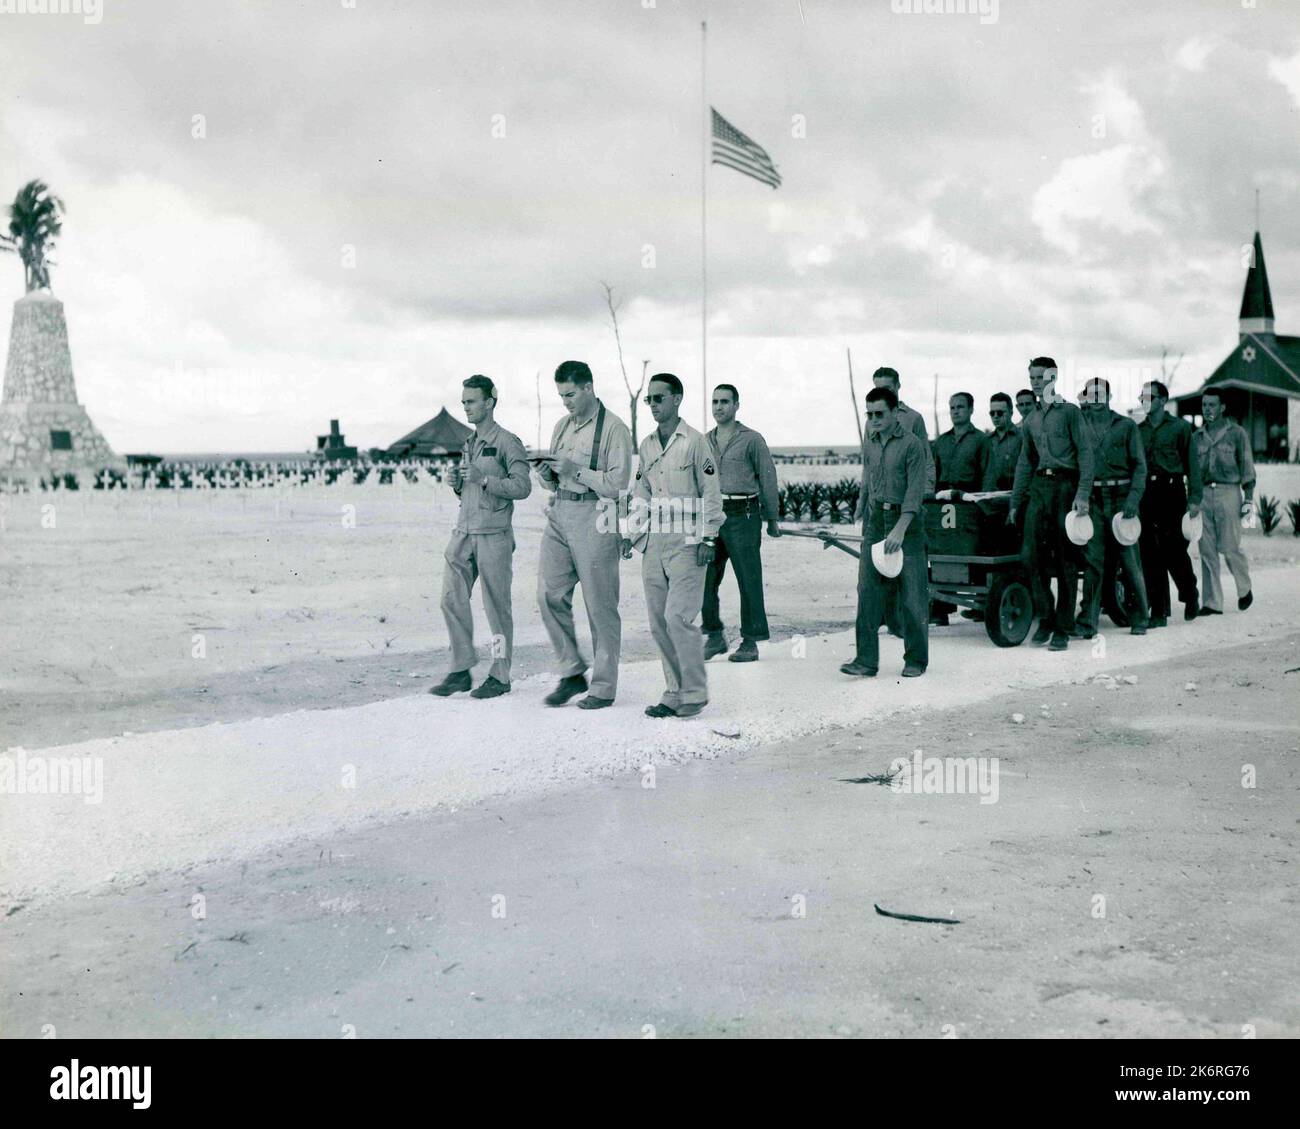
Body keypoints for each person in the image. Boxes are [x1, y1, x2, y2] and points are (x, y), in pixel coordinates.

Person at [624, 373, 724, 718]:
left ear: (677, 399)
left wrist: (709, 538)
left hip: (688, 540)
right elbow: (642, 492)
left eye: (659, 398)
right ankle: (673, 691)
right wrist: (630, 533)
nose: (652, 404)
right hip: (654, 541)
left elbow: (711, 494)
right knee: (657, 622)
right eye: (649, 399)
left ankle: (694, 692)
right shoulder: (648, 445)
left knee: (677, 617)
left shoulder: (696, 443)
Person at [535, 360, 633, 710]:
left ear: (589, 387)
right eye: (561, 395)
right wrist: (546, 472)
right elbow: (553, 479)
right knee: (548, 593)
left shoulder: (614, 429)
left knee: (600, 605)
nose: (566, 402)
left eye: (571, 394)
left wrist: (577, 470)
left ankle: (604, 687)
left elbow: (618, 484)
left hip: (597, 515)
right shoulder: (562, 426)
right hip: (560, 512)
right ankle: (572, 671)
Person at [430, 375, 531, 699]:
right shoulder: (469, 443)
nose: (466, 407)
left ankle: (500, 675)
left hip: (494, 535)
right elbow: (467, 487)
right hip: (464, 531)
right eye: (463, 402)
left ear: (489, 402)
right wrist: (456, 483)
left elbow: (522, 487)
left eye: (471, 401)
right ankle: (461, 669)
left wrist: (484, 479)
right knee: (450, 598)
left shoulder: (508, 442)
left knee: (497, 608)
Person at [841, 386, 929, 678]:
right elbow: (868, 480)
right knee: (867, 591)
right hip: (876, 520)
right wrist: (860, 508)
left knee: (912, 595)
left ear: (895, 413)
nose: (874, 419)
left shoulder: (912, 445)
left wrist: (900, 530)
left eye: (880, 414)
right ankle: (866, 660)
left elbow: (915, 494)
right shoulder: (870, 441)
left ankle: (916, 660)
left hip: (907, 524)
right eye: (870, 414)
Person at [1008, 356, 1094, 651]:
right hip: (1039, 488)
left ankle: (1062, 628)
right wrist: (1016, 502)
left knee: (1065, 559)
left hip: (1066, 487)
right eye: (1031, 376)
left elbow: (1085, 453)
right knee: (1030, 557)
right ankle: (1046, 615)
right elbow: (1024, 462)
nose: (1035, 382)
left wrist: (1082, 494)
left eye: (1040, 377)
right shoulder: (1030, 419)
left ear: (1053, 377)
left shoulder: (1069, 412)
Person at [701, 383, 781, 663]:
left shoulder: (752, 439)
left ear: (736, 405)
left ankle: (750, 641)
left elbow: (768, 478)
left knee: (748, 579)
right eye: (715, 402)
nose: (719, 407)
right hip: (712, 516)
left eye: (724, 401)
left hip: (744, 514)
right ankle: (713, 635)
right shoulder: (704, 441)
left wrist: (772, 518)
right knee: (704, 576)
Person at [1076, 378, 1149, 637]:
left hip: (1121, 500)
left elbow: (1140, 466)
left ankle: (1140, 616)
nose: (1095, 399)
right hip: (1093, 500)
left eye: (1100, 394)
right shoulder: (1080, 427)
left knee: (1129, 561)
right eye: (1090, 394)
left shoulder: (1126, 426)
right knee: (1093, 562)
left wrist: (1133, 499)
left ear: (1109, 396)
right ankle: (1087, 622)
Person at [1136, 381, 1201, 626]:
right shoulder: (1138, 430)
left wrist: (1195, 499)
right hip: (1146, 492)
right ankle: (1158, 611)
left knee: (1174, 549)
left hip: (1172, 491)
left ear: (1162, 400)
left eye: (1148, 396)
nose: (1143, 400)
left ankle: (1190, 592)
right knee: (1150, 552)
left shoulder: (1181, 428)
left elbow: (1192, 466)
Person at [1193, 389, 1255, 616]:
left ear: (1222, 408)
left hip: (1229, 492)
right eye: (1204, 405)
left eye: (1212, 405)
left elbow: (1247, 468)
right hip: (1202, 495)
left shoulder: (1236, 434)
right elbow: (1192, 471)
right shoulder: (1196, 437)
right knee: (1206, 549)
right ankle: (1212, 602)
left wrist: (1248, 501)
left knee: (1230, 547)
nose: (1207, 409)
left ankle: (1244, 588)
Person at [932, 392, 991, 496]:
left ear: (971, 409)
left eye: (960, 407)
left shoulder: (981, 439)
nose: (955, 411)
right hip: (943, 499)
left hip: (970, 498)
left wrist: (983, 502)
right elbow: (933, 474)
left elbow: (988, 476)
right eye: (952, 408)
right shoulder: (941, 441)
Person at [982, 391, 1022, 492]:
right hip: (988, 496)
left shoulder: (1022, 438)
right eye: (992, 413)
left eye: (1000, 413)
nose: (995, 416)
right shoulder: (985, 441)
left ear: (1011, 412)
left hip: (1013, 495)